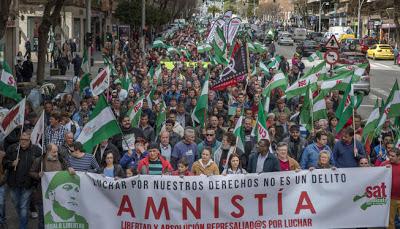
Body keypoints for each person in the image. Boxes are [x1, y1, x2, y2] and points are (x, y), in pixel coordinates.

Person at [3, 132, 41, 229]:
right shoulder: (12, 148)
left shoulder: (36, 150)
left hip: (27, 183)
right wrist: (11, 163)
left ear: (30, 140)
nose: (23, 142)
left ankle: (23, 225)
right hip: (13, 182)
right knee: (16, 203)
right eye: (21, 139)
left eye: (26, 140)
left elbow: (41, 163)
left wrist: (40, 172)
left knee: (23, 206)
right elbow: (4, 162)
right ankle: (23, 217)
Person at [29, 143, 69, 229]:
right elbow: (31, 172)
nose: (56, 154)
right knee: (43, 218)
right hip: (43, 195)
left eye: (57, 152)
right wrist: (38, 175)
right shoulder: (39, 161)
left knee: (57, 218)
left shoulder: (61, 160)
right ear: (47, 151)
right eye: (54, 152)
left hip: (59, 196)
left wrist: (70, 170)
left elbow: (67, 169)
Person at [381, 148, 400, 229]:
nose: (390, 157)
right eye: (389, 156)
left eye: (393, 156)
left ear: (399, 157)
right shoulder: (384, 164)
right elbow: (374, 175)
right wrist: (383, 169)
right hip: (390, 198)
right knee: (390, 222)